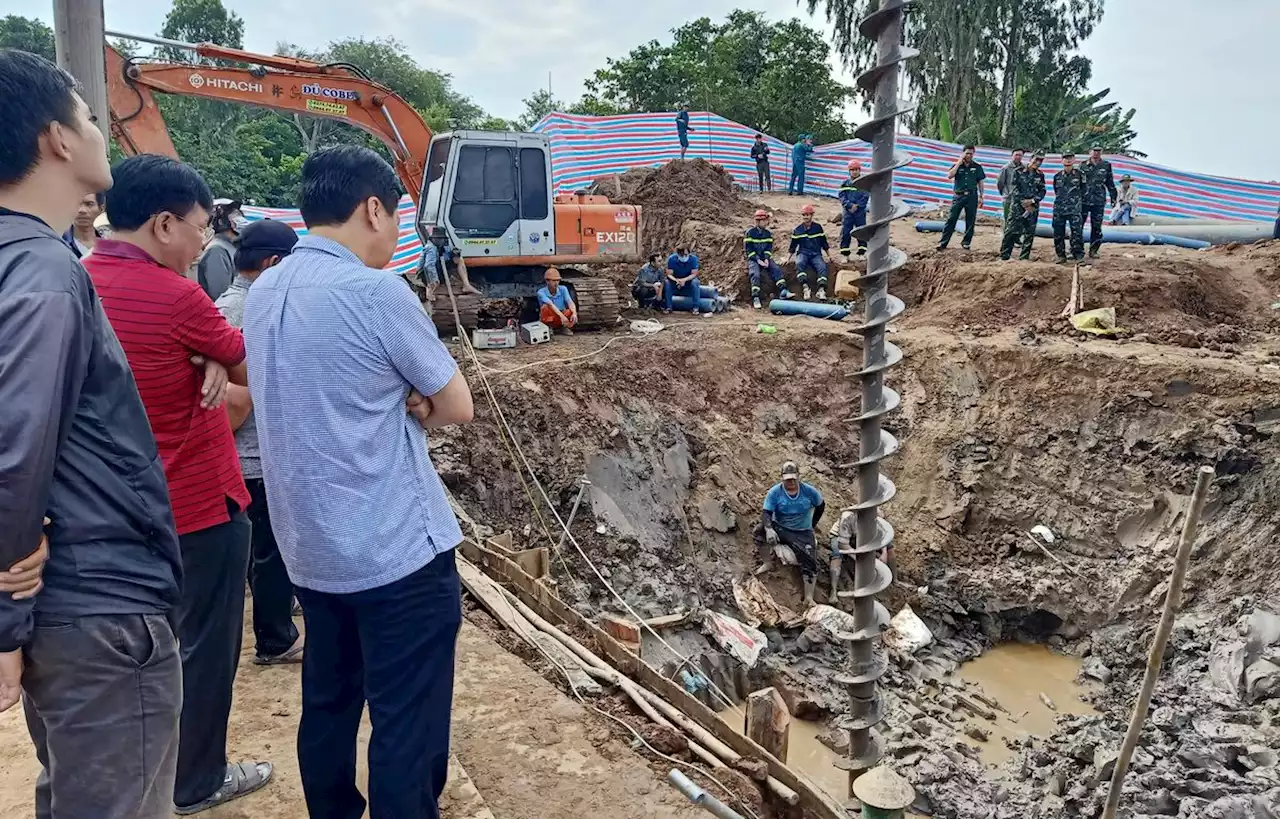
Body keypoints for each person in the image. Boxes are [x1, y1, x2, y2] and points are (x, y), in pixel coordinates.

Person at [243, 144, 475, 819]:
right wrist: (422, 402)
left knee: (329, 703)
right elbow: (457, 405)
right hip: (395, 552)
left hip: (312, 550)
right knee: (407, 721)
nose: (399, 233)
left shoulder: (264, 291)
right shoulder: (376, 293)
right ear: (373, 208)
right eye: (398, 216)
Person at [0, 49, 184, 819]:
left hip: (70, 610)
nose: (103, 131)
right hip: (98, 609)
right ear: (58, 140)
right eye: (88, 117)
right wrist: (6, 608)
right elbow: (16, 443)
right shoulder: (45, 274)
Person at [83, 154, 269, 814]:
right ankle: (197, 777)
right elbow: (255, 364)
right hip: (198, 505)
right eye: (198, 227)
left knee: (145, 655)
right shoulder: (177, 297)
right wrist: (217, 363)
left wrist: (212, 362)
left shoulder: (80, 281)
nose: (203, 242)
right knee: (207, 650)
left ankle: (151, 774)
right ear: (163, 224)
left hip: (116, 515)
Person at [213, 219, 304, 667]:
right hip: (259, 453)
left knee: (260, 546)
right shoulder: (257, 311)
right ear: (273, 263)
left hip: (237, 454)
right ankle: (275, 638)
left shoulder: (221, 305)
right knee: (273, 548)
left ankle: (280, 611)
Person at [753, 462, 826, 607]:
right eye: (787, 479)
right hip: (781, 527)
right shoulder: (775, 492)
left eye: (793, 479)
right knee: (759, 530)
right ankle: (767, 562)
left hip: (802, 531)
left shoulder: (809, 491)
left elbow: (821, 505)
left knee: (810, 561)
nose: (791, 482)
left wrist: (813, 524)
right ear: (782, 479)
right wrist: (769, 529)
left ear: (799, 477)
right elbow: (766, 513)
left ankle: (809, 597)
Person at [827, 508, 894, 605]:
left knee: (890, 548)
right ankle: (833, 593)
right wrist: (858, 558)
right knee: (837, 555)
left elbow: (882, 537)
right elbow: (843, 544)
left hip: (860, 537)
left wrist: (884, 553)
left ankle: (895, 580)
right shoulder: (848, 518)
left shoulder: (877, 518)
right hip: (840, 537)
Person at [999, 152, 1046, 261]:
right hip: (1017, 207)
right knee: (1011, 231)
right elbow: (1014, 189)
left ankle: (1024, 258)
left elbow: (1042, 191)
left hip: (1032, 208)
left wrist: (1032, 201)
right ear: (1031, 159)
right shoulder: (1018, 172)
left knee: (1029, 233)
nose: (1038, 162)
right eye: (1036, 159)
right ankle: (1004, 256)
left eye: (1041, 161)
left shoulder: (1040, 175)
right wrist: (1023, 202)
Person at [937, 145, 986, 251]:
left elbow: (980, 182)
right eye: (967, 153)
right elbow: (950, 175)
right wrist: (959, 162)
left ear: (974, 154)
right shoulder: (957, 165)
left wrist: (982, 196)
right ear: (963, 153)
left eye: (971, 153)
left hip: (972, 196)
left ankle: (966, 242)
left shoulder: (977, 167)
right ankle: (943, 243)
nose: (969, 155)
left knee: (970, 220)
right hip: (959, 196)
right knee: (951, 219)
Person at [197, 197, 246, 300]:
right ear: (221, 221)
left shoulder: (232, 246)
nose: (240, 218)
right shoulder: (217, 250)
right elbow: (221, 295)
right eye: (235, 215)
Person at [745, 209, 789, 309]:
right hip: (753, 259)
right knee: (755, 274)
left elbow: (768, 248)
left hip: (764, 258)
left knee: (776, 269)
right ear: (758, 221)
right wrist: (757, 259)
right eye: (764, 220)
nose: (766, 222)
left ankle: (783, 291)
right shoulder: (750, 233)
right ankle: (756, 297)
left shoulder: (768, 234)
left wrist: (766, 258)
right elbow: (748, 250)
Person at [787, 204, 832, 301]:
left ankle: (821, 289)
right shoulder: (798, 230)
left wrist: (829, 256)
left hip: (815, 254)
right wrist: (788, 258)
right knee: (799, 263)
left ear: (812, 215)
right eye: (804, 215)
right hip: (803, 253)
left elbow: (824, 243)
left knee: (822, 266)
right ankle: (805, 288)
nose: (805, 217)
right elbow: (792, 246)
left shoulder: (818, 228)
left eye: (807, 215)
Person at [1080, 146, 1117, 258]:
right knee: (1078, 226)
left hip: (1098, 201)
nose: (1096, 153)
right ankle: (1077, 250)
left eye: (1098, 151)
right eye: (1094, 151)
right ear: (1089, 152)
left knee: (1096, 227)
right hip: (1084, 200)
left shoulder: (1106, 165)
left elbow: (1110, 183)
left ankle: (1094, 251)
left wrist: (1113, 198)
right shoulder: (1082, 165)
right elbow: (1077, 183)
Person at [1052, 152, 1087, 264]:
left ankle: (1078, 256)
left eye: (1070, 158)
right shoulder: (1057, 176)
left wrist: (1076, 202)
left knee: (1077, 233)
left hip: (1074, 209)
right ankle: (1061, 256)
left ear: (1074, 160)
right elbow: (1056, 191)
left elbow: (1084, 190)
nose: (1067, 160)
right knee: (1058, 233)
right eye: (1065, 158)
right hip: (1059, 209)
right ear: (1062, 160)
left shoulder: (1080, 174)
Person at [838, 160, 870, 258]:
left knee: (861, 231)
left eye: (856, 169)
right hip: (848, 212)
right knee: (846, 232)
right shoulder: (845, 184)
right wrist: (849, 205)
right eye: (852, 170)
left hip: (860, 212)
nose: (854, 172)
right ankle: (845, 254)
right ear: (849, 171)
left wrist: (857, 206)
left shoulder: (864, 183)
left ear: (859, 170)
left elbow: (865, 196)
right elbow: (842, 196)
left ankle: (861, 253)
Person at [61, 190, 103, 258]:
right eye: (77, 204)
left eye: (89, 204)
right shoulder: (60, 242)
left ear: (101, 208)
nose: (82, 210)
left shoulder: (109, 245)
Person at [537, 267, 577, 334]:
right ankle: (548, 327)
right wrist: (562, 316)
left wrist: (574, 313)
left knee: (569, 311)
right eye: (553, 281)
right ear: (547, 281)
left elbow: (569, 301)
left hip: (560, 314)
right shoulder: (541, 292)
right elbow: (550, 304)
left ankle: (563, 327)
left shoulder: (563, 289)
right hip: (550, 316)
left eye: (557, 280)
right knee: (545, 307)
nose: (556, 283)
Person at [663, 244, 701, 313]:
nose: (684, 257)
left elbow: (694, 274)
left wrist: (684, 280)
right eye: (681, 255)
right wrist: (676, 280)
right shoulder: (672, 259)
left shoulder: (693, 259)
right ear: (678, 254)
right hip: (675, 281)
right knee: (667, 283)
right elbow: (669, 274)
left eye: (686, 255)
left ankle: (695, 307)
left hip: (688, 281)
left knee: (695, 282)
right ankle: (668, 307)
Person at [996, 148, 1025, 225]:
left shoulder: (1024, 168)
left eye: (1020, 155)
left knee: (1018, 221)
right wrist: (1006, 193)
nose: (1018, 157)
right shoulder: (1006, 168)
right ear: (1012, 156)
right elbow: (1000, 183)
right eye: (1016, 155)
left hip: (1020, 200)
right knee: (1007, 220)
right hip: (1008, 199)